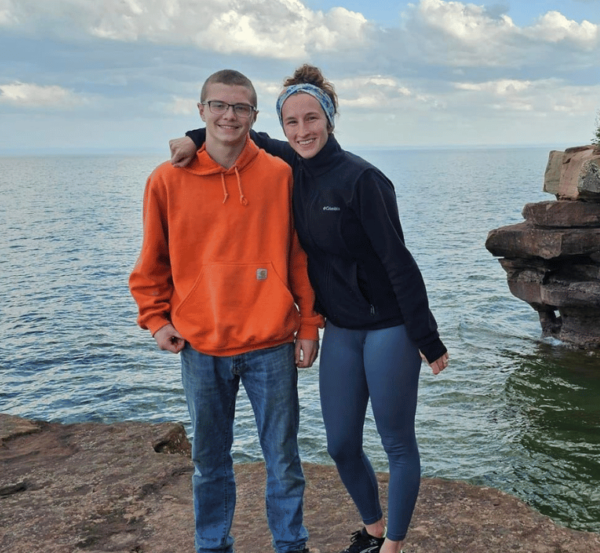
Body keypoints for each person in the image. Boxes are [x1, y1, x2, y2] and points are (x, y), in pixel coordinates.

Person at [170, 64, 450, 553]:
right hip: (341, 327)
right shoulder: (291, 166)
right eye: (292, 122)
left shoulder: (364, 179)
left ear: (331, 119)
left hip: (388, 326)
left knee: (397, 442)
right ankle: (374, 527)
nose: (302, 131)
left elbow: (399, 262)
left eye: (312, 119)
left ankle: (392, 546)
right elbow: (237, 131)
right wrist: (194, 137)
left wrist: (426, 338)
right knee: (340, 443)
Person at [130, 69, 322, 553]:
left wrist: (309, 324)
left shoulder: (281, 174)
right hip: (201, 345)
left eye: (239, 108)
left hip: (272, 344)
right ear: (201, 111)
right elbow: (153, 261)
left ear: (254, 117)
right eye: (218, 105)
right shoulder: (166, 180)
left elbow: (300, 256)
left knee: (282, 460)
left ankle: (290, 545)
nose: (228, 116)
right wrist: (156, 321)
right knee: (209, 462)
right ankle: (212, 546)